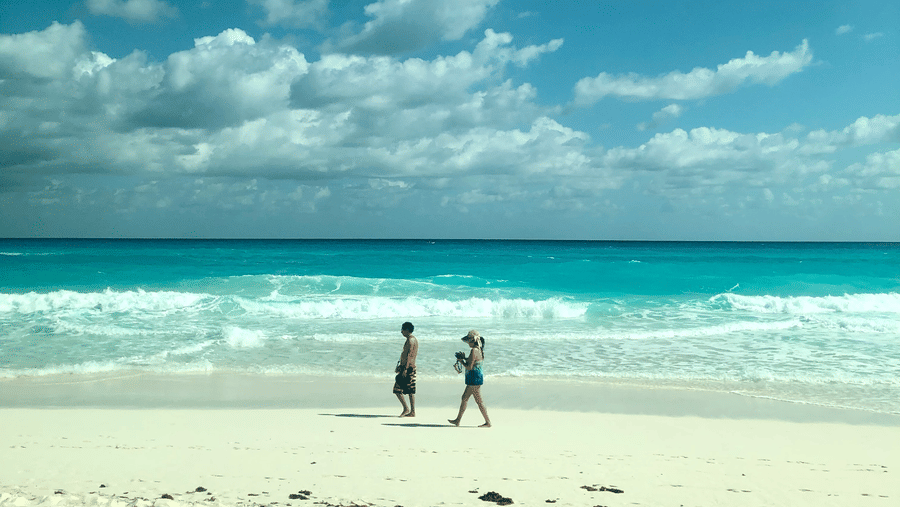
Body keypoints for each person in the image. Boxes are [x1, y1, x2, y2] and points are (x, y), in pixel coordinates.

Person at [448, 330, 491, 427]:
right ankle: (458, 420)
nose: (468, 343)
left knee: (474, 400)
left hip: (473, 379)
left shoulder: (474, 350)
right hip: (477, 378)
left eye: (469, 341)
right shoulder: (479, 350)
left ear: (472, 341)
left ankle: (487, 422)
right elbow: (473, 361)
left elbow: (469, 367)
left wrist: (461, 361)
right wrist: (465, 358)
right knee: (470, 399)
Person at [393, 321, 418, 417]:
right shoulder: (412, 339)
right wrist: (400, 365)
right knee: (410, 390)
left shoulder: (410, 340)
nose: (401, 332)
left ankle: (407, 409)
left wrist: (405, 369)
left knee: (398, 390)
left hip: (408, 368)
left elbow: (409, 356)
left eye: (402, 329)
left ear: (407, 330)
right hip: (408, 367)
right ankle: (411, 411)